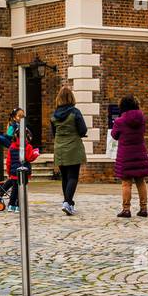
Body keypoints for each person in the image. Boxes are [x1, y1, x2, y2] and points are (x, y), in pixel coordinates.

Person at [51, 85, 88, 216]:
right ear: (71, 98)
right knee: (73, 176)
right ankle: (67, 203)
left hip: (59, 148)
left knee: (65, 177)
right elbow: (83, 130)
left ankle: (69, 203)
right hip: (73, 147)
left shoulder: (54, 115)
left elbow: (53, 133)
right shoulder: (75, 112)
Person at [111, 95, 148, 218]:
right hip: (140, 153)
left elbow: (114, 135)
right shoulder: (142, 119)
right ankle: (143, 208)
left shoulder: (119, 121)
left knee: (126, 183)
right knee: (141, 182)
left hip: (126, 155)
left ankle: (126, 209)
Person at [0, 108, 32, 212]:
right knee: (15, 182)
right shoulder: (13, 126)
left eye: (22, 117)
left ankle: (3, 195)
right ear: (14, 117)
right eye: (19, 116)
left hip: (21, 150)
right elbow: (8, 137)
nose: (21, 118)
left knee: (14, 181)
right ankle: (8, 199)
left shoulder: (24, 126)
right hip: (16, 150)